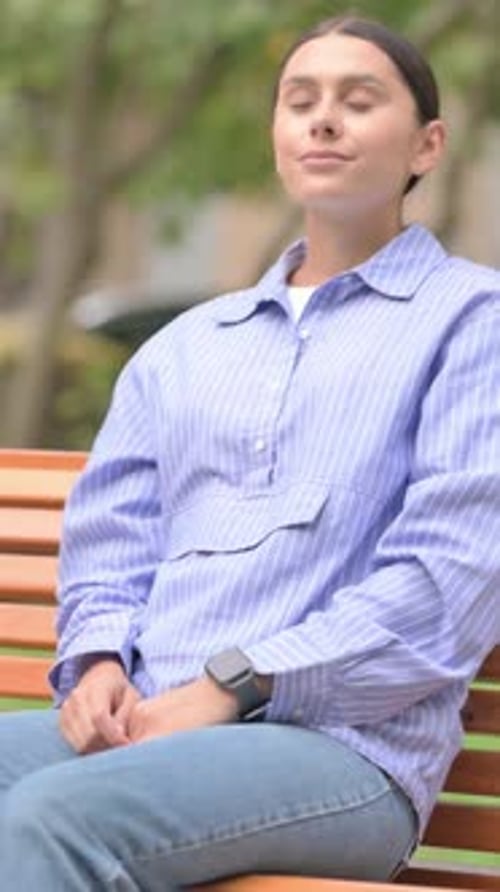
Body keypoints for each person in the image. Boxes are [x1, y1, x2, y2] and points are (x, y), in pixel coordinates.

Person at [1, 13, 499, 891]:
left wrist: (233, 686)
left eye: (359, 99)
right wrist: (102, 663)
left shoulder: (472, 323)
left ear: (427, 145)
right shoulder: (189, 345)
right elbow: (113, 537)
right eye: (299, 99)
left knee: (54, 819)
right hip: (148, 721)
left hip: (340, 754)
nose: (323, 119)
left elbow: (446, 584)